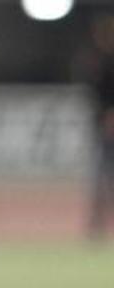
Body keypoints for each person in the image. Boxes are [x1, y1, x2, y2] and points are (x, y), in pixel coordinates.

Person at [87, 15, 114, 240]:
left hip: (106, 128)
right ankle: (97, 225)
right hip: (103, 130)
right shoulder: (99, 62)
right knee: (100, 178)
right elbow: (95, 95)